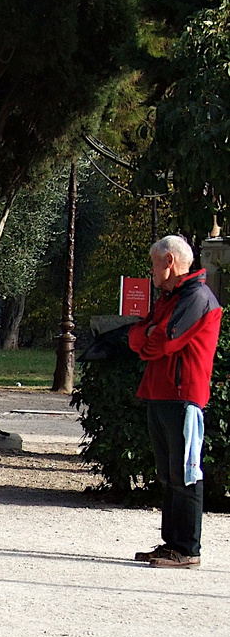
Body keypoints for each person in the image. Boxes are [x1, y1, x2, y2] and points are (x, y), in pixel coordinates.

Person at [129, 235, 223, 569]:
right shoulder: (172, 296)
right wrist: (148, 335)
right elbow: (139, 334)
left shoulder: (197, 296)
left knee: (185, 472)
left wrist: (149, 335)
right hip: (160, 391)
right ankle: (172, 543)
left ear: (169, 261)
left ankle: (187, 548)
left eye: (154, 262)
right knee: (169, 473)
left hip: (183, 395)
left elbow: (163, 341)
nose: (151, 269)